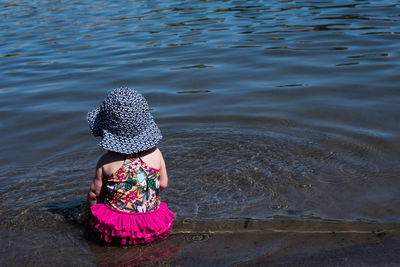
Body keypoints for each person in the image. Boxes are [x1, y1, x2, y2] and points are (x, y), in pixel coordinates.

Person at [84, 87, 174, 245]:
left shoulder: (106, 162)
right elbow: (164, 184)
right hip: (155, 227)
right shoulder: (156, 154)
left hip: (117, 231)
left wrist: (89, 216)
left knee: (95, 222)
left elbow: (94, 194)